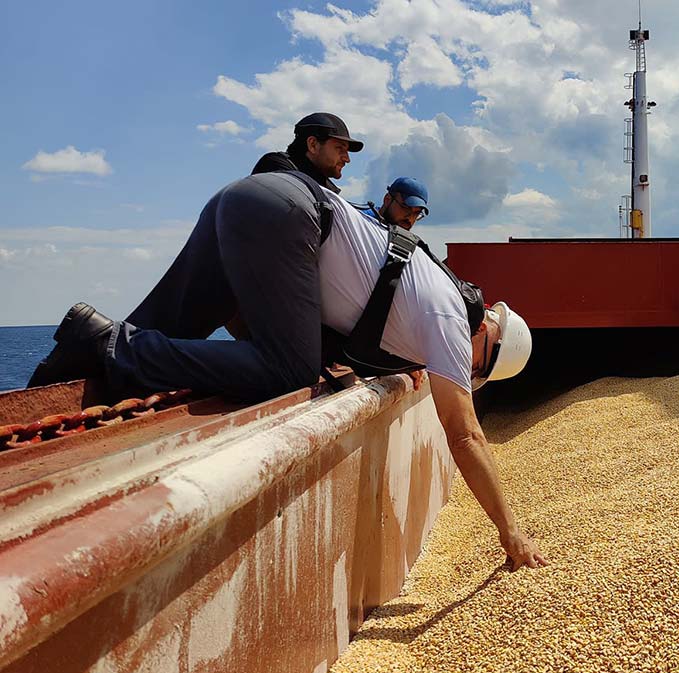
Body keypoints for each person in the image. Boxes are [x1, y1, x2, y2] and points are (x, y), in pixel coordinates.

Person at [27, 171, 546, 570]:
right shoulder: (452, 320)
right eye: (478, 368)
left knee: (170, 325)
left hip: (252, 198)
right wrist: (511, 533)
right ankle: (104, 339)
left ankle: (82, 360)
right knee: (288, 370)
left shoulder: (433, 292)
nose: (465, 372)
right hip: (288, 217)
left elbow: (377, 311)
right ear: (487, 336)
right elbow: (465, 435)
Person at [251, 112, 362, 193]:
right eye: (339, 148)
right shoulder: (276, 168)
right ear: (313, 144)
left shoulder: (324, 186)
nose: (347, 159)